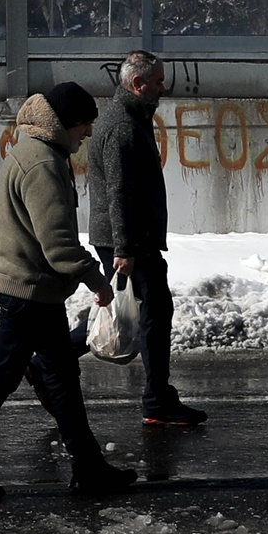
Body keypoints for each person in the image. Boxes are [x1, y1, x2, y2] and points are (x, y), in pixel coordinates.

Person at [0, 82, 138, 502]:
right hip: (29, 291)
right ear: (65, 123)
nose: (87, 134)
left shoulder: (38, 153)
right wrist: (97, 281)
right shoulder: (42, 164)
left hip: (34, 289)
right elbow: (58, 245)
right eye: (84, 125)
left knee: (61, 380)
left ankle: (89, 467)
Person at [88, 50, 207, 426]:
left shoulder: (131, 118)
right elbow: (118, 193)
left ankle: (159, 396)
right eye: (157, 81)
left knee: (132, 310)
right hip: (129, 240)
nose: (162, 87)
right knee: (148, 312)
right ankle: (157, 399)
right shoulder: (122, 126)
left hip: (132, 238)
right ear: (138, 84)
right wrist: (124, 249)